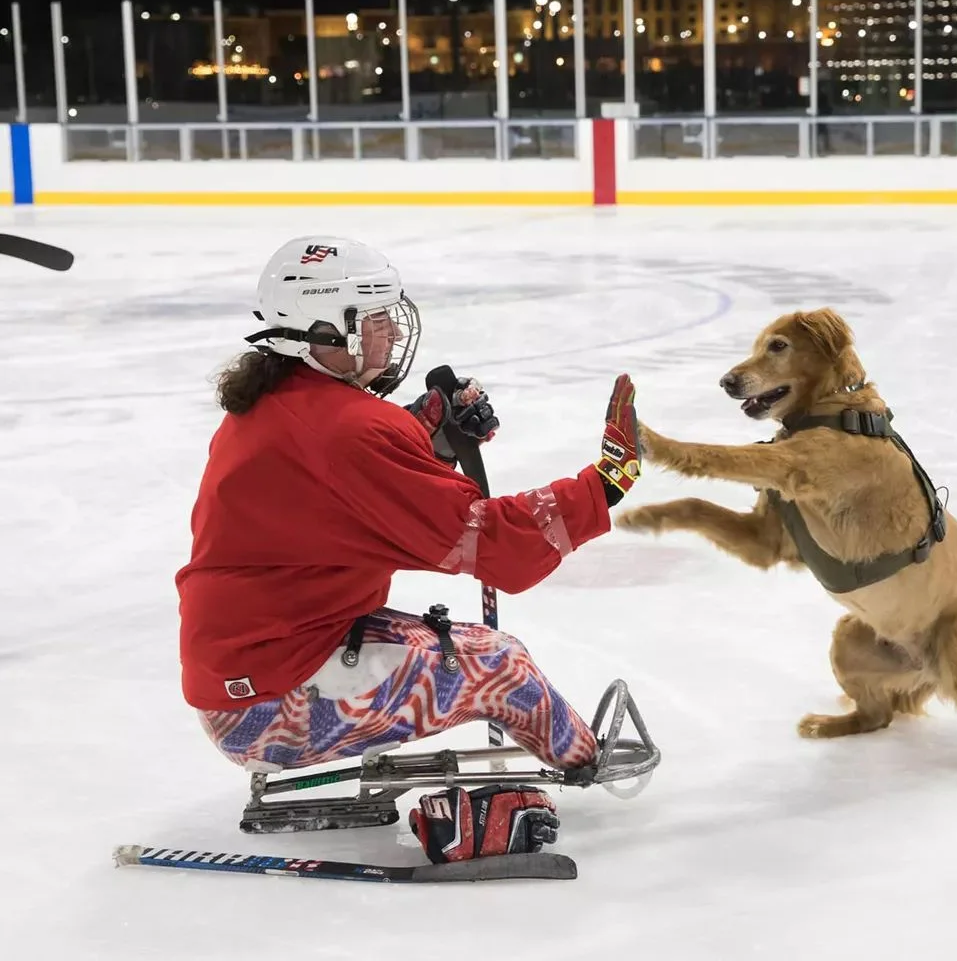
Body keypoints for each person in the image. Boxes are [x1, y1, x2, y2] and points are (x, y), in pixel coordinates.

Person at [175, 235, 642, 861]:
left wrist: (430, 432)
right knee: (503, 666)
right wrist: (603, 487)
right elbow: (492, 544)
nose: (391, 335)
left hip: (252, 674)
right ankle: (583, 760)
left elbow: (352, 484)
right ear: (326, 330)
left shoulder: (275, 405)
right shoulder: (348, 431)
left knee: (478, 652)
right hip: (274, 702)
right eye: (373, 321)